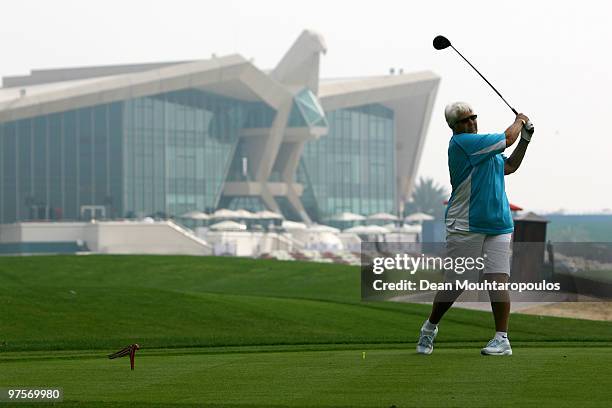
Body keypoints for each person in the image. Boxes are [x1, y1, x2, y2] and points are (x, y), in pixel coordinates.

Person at [416, 102, 533, 356]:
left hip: (499, 223)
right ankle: (429, 328)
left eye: (473, 118)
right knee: (457, 282)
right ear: (454, 127)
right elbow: (507, 138)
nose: (471, 123)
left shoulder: (486, 149)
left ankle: (502, 338)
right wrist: (520, 122)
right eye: (464, 121)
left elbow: (509, 166)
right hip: (465, 223)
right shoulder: (462, 144)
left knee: (497, 279)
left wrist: (525, 139)